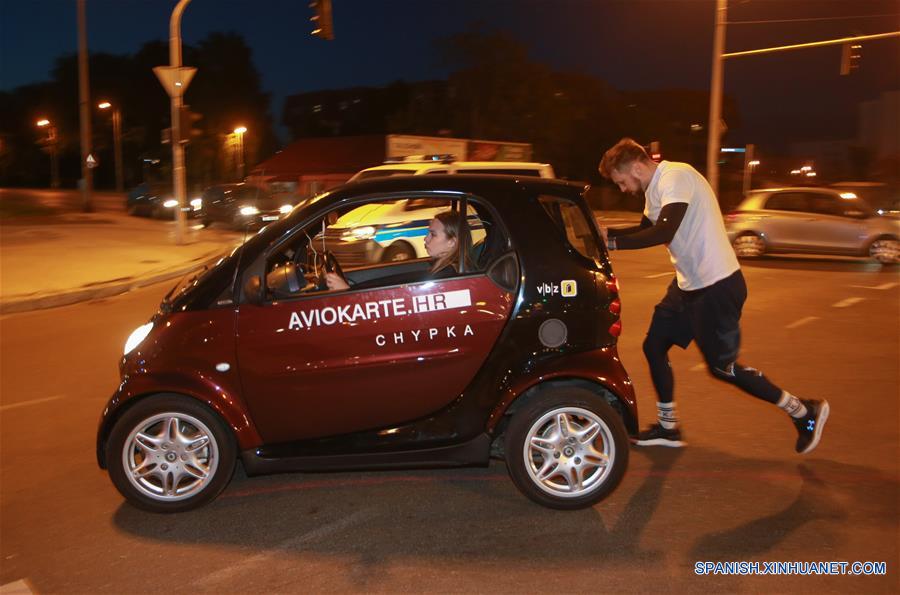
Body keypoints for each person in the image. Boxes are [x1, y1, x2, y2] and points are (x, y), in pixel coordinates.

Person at [597, 138, 829, 454]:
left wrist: (612, 246)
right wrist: (607, 234)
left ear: (637, 167)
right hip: (688, 286)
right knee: (654, 346)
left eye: (622, 181)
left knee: (723, 368)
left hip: (717, 286)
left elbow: (664, 232)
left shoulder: (676, 176)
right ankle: (669, 428)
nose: (623, 189)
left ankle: (803, 411)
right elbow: (642, 230)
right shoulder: (654, 191)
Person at [325, 209, 472, 290]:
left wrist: (348, 293)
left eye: (432, 234)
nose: (425, 239)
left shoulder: (446, 276)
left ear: (452, 242)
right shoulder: (442, 269)